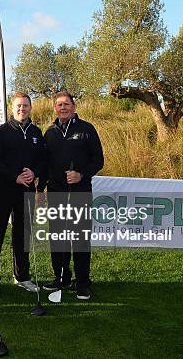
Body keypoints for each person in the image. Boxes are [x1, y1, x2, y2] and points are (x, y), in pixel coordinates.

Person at [37, 91, 104, 300]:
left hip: (80, 192)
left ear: (74, 107)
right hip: (56, 193)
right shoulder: (49, 132)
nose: (63, 107)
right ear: (54, 108)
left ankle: (83, 283)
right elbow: (44, 165)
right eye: (59, 104)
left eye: (66, 104)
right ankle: (61, 277)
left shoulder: (87, 129)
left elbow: (98, 160)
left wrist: (81, 174)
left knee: (80, 238)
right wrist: (40, 190)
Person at [0, 91, 46, 296]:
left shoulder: (37, 132)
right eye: (18, 105)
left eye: (25, 105)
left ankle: (22, 277)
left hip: (27, 190)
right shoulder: (1, 132)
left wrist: (35, 171)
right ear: (12, 108)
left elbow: (43, 160)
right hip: (5, 189)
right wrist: (14, 177)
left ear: (30, 107)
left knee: (23, 234)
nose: (22, 109)